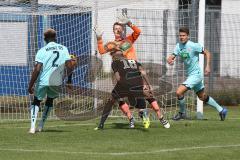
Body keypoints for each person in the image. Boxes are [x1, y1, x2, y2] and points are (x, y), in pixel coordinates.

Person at [93, 13, 150, 128]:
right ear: (113, 31)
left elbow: (138, 32)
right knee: (119, 98)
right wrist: (99, 38)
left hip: (132, 70)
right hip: (120, 71)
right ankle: (133, 119)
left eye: (120, 28)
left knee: (132, 97)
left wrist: (129, 23)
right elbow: (101, 51)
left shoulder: (128, 40)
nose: (117, 30)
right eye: (115, 29)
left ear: (123, 30)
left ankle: (140, 117)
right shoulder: (111, 44)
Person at [95, 52, 170, 130]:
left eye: (112, 56)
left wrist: (119, 88)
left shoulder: (115, 62)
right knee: (148, 96)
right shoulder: (134, 61)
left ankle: (101, 124)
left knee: (111, 101)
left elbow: (118, 77)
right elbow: (143, 73)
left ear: (115, 57)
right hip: (138, 84)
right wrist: (149, 85)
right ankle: (158, 118)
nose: (112, 57)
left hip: (125, 84)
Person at [167, 27, 228, 121]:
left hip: (196, 75)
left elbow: (207, 53)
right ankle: (221, 110)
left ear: (188, 36)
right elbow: (172, 56)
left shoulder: (193, 45)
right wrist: (169, 59)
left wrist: (207, 66)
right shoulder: (178, 46)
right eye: (180, 35)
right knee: (202, 97)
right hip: (191, 75)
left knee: (179, 92)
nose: (181, 37)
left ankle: (182, 113)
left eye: (183, 35)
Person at [28, 28, 73, 134]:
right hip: (56, 81)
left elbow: (37, 68)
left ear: (45, 39)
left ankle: (32, 127)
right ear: (55, 37)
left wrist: (30, 85)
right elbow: (70, 66)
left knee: (36, 101)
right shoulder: (64, 48)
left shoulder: (42, 50)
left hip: (43, 80)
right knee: (50, 100)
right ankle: (41, 125)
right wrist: (69, 80)